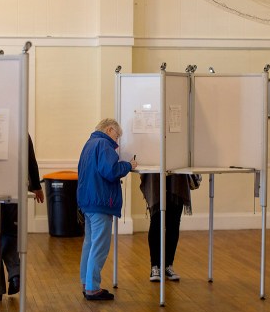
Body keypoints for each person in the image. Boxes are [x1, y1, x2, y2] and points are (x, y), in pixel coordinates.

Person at [77, 118, 136, 301]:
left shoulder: (89, 144)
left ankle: (86, 282)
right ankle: (93, 288)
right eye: (117, 136)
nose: (117, 142)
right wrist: (128, 165)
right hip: (100, 202)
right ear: (110, 129)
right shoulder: (104, 144)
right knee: (100, 245)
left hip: (87, 201)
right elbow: (110, 171)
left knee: (89, 243)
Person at [0, 135, 44, 300]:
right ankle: (15, 271)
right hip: (13, 188)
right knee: (10, 231)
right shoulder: (20, 125)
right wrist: (36, 186)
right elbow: (30, 159)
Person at [139, 173, 200, 282]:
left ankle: (168, 265)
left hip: (177, 180)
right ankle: (155, 266)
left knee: (174, 224)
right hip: (156, 179)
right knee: (156, 222)